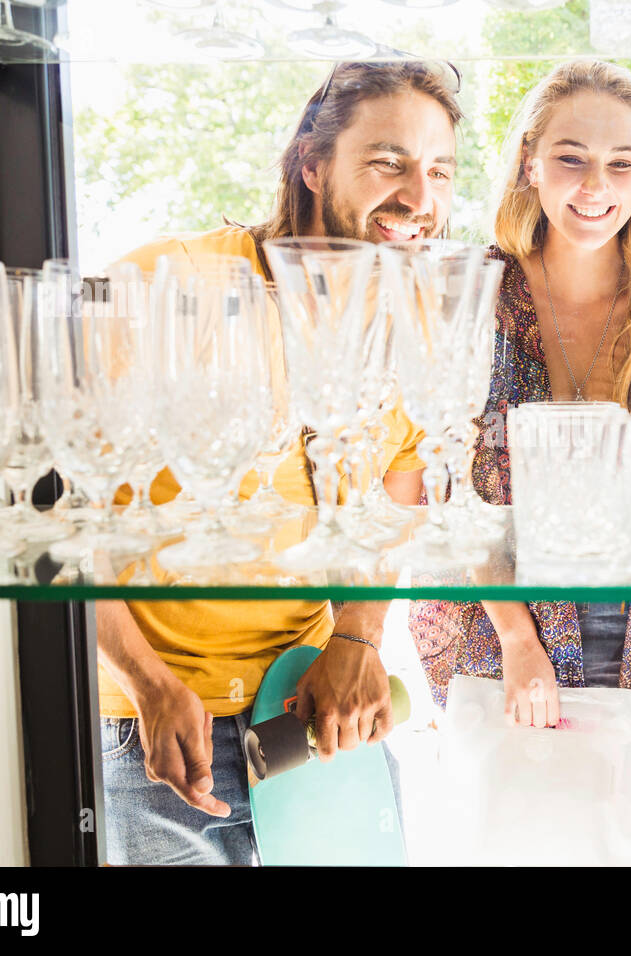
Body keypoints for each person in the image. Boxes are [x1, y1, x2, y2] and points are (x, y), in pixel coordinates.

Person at [95, 59, 461, 864]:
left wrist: (359, 641)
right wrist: (147, 687)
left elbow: (395, 504)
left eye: (439, 170)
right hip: (153, 723)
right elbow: (61, 507)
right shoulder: (167, 284)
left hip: (310, 702)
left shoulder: (412, 314)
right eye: (388, 162)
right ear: (311, 162)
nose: (420, 199)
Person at [409, 59, 631, 867]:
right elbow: (448, 491)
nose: (597, 185)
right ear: (530, 160)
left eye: (621, 163)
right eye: (571, 157)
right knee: (514, 837)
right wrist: (519, 641)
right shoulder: (472, 294)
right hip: (492, 623)